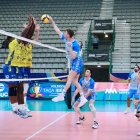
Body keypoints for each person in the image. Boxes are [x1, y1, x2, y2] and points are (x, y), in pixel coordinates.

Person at [3, 16, 40, 118]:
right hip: (10, 67)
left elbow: (28, 36)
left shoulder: (25, 44)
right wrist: (31, 24)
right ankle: (15, 108)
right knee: (13, 88)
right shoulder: (14, 43)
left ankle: (22, 108)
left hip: (19, 67)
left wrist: (33, 27)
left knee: (19, 88)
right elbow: (25, 34)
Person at [47, 15, 87, 105]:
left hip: (77, 62)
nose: (64, 34)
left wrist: (69, 48)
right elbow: (57, 30)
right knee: (75, 81)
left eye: (65, 33)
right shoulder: (66, 39)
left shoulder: (75, 44)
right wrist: (51, 21)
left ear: (68, 35)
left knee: (69, 79)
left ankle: (62, 95)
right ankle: (83, 97)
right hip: (74, 62)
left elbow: (73, 56)